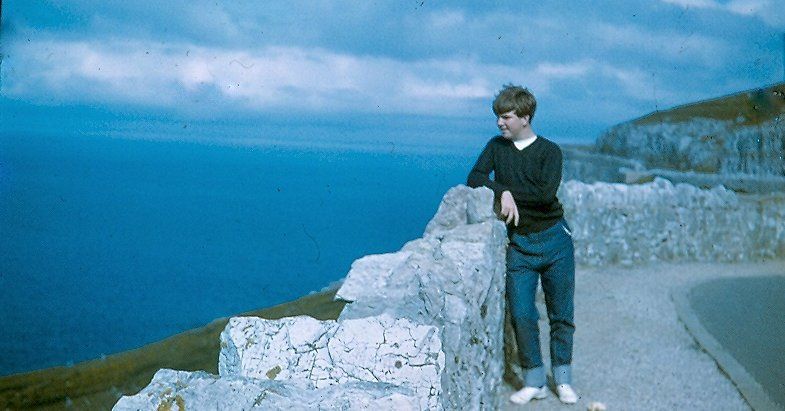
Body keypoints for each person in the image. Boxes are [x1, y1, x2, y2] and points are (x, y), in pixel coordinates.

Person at [467, 84, 578, 405]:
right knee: (522, 314)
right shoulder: (496, 146)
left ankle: (563, 379)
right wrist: (501, 190)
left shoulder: (550, 151)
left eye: (506, 117)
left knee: (561, 314)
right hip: (520, 245)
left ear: (525, 118)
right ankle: (534, 380)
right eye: (498, 117)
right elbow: (474, 177)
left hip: (556, 241)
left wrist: (508, 191)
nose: (500, 123)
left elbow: (545, 196)